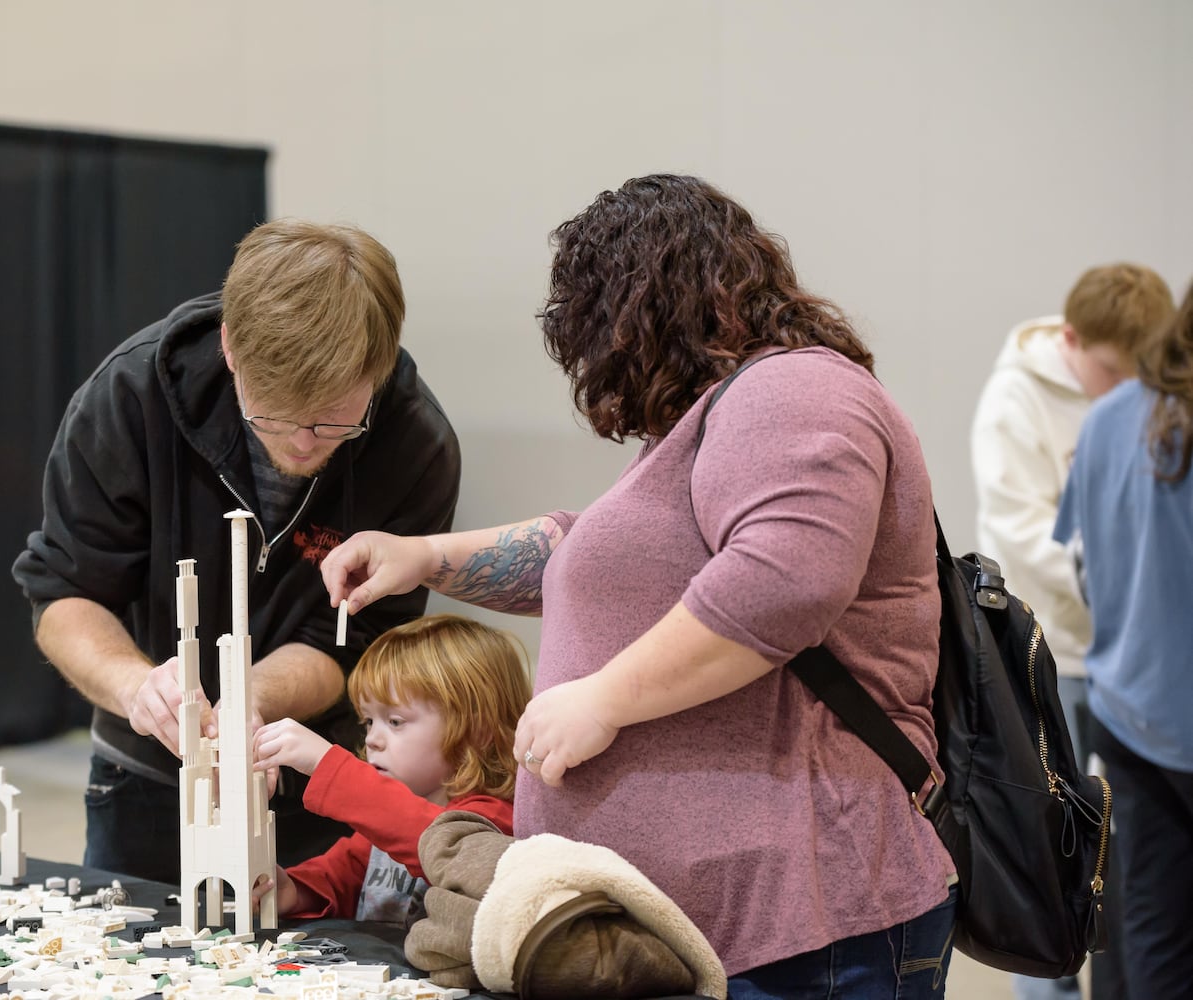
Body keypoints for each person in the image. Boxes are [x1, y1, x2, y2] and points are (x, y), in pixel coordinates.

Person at [322, 174, 957, 997]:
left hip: (804, 918)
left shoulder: (795, 390)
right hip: (724, 925)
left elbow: (783, 586)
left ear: (637, 306)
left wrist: (604, 699)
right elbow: (588, 554)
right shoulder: (719, 415)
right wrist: (428, 557)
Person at [11, 219, 462, 880]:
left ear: (380, 365)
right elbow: (64, 593)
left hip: (312, 771)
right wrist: (136, 685)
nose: (306, 442)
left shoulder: (414, 445)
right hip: (146, 781)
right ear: (229, 347)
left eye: (336, 418)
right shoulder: (130, 398)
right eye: (275, 414)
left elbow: (355, 641)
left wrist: (250, 695)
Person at [970, 263, 1172, 1000]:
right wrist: (1126, 581)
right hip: (1048, 654)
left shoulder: (1136, 399)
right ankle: (1048, 983)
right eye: (1112, 370)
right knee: (1049, 842)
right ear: (1070, 340)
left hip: (1125, 665)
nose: (1123, 389)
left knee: (1125, 858)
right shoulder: (1013, 401)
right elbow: (1028, 539)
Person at [1054, 277, 1193, 999]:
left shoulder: (1108, 418)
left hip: (1132, 716)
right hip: (1157, 718)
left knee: (1149, 936)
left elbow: (1082, 562)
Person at [249, 613, 529, 924]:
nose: (372, 739)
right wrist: (296, 890)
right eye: (368, 721)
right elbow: (339, 877)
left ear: (476, 731)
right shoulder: (384, 825)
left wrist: (328, 765)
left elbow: (433, 840)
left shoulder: (491, 820)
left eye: (395, 721)